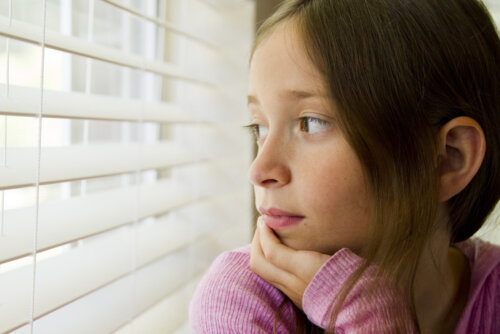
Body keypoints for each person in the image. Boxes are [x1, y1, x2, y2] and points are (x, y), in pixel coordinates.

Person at [189, 0, 500, 332]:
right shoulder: (239, 301)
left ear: (448, 159)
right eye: (259, 128)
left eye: (311, 123)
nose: (259, 170)